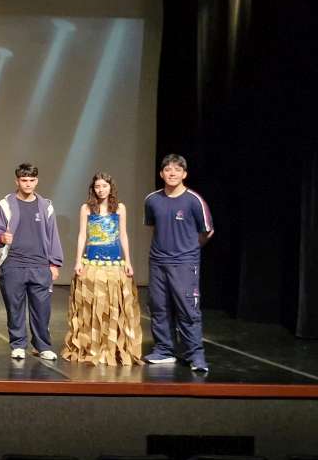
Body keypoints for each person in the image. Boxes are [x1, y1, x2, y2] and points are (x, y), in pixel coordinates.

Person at [61, 173, 143, 365]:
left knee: (113, 305)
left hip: (114, 263)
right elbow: (82, 235)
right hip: (92, 262)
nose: (101, 190)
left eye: (104, 186)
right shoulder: (87, 208)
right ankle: (92, 347)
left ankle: (112, 347)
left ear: (110, 187)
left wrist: (128, 261)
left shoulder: (120, 208)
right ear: (93, 189)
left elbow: (123, 235)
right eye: (97, 186)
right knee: (91, 305)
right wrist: (78, 261)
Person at [143, 154, 213, 372]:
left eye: (177, 170)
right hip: (158, 262)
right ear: (161, 173)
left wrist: (188, 249)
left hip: (184, 263)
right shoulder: (152, 200)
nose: (172, 173)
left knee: (188, 309)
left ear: (184, 174)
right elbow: (154, 227)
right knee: (159, 307)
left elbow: (207, 231)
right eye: (167, 169)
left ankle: (195, 355)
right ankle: (164, 350)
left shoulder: (194, 200)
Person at [0, 163, 63, 360]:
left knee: (42, 309)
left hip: (40, 265)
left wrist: (54, 263)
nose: (28, 184)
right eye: (24, 180)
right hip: (13, 264)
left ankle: (42, 346)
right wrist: (1, 238)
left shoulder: (46, 206)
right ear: (17, 181)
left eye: (31, 180)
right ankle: (18, 344)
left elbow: (53, 235)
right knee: (15, 308)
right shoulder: (5, 204)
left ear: (36, 181)